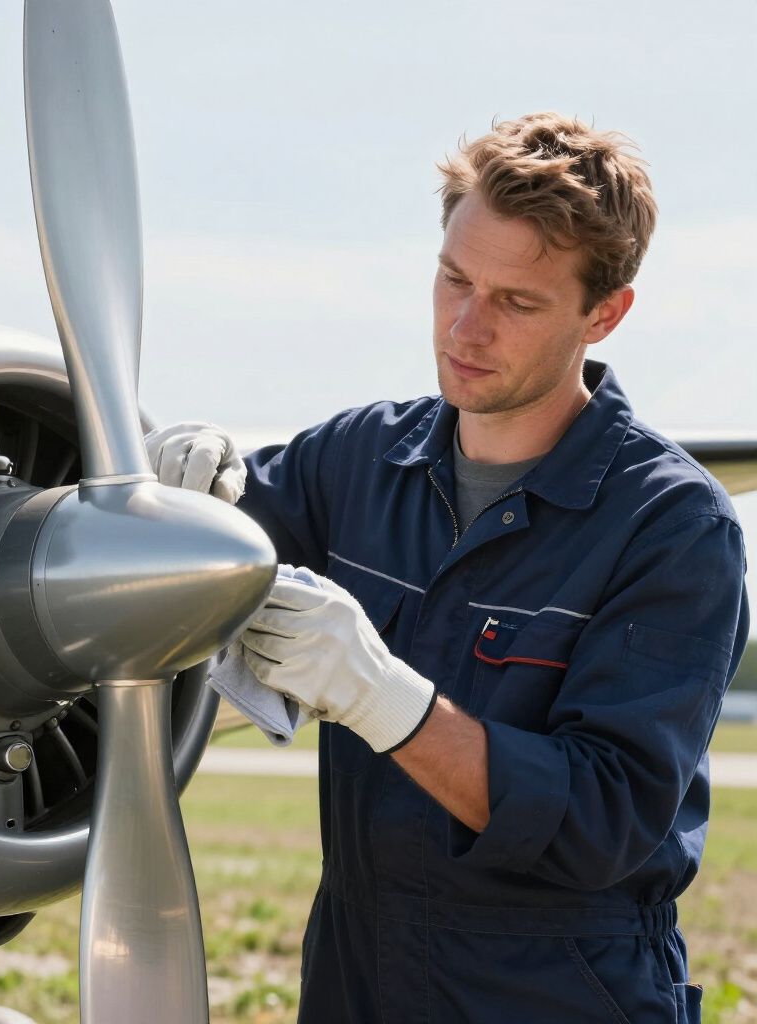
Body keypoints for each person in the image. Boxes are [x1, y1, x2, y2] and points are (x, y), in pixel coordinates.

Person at [145, 113, 749, 1023]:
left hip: (553, 995)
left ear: (605, 311)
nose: (466, 327)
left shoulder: (674, 526)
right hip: (354, 979)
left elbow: (604, 817)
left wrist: (383, 697)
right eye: (454, 278)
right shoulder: (351, 460)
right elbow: (179, 562)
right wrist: (162, 484)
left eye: (516, 301)